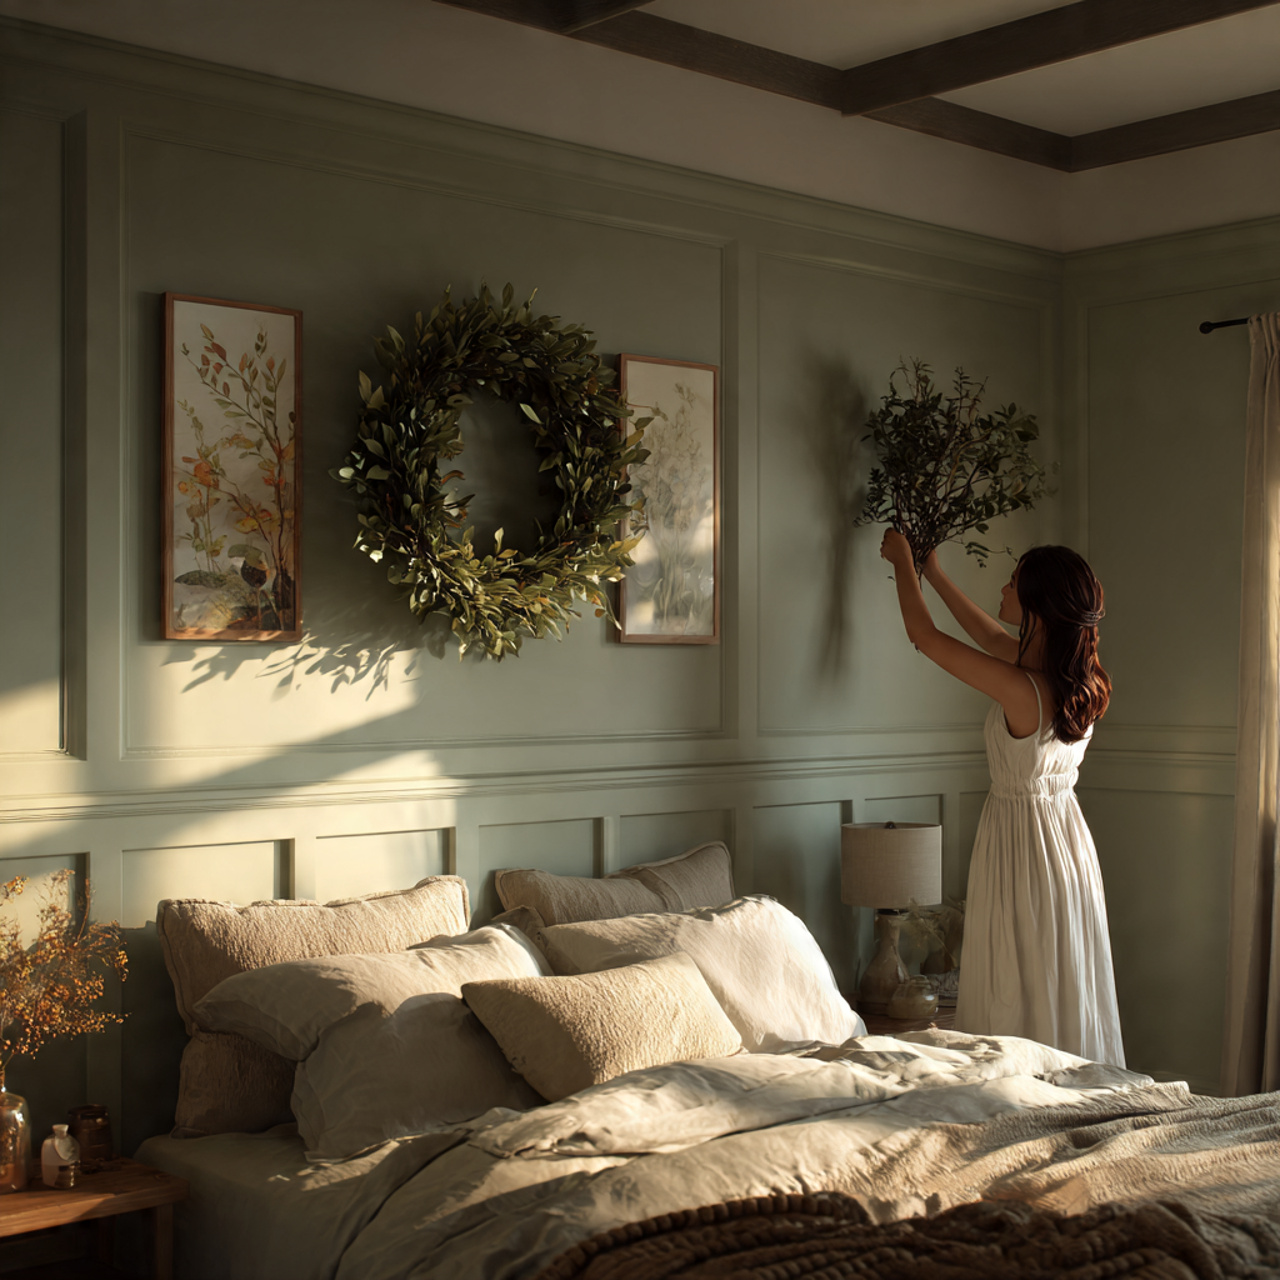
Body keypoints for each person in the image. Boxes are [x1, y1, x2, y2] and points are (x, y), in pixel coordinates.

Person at [879, 528, 1125, 1066]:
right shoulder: (1075, 680)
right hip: (1062, 843)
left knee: (1018, 972)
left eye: (1013, 582)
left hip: (1024, 850)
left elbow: (925, 637)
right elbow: (989, 636)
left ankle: (1025, 1090)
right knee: (1055, 974)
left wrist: (902, 564)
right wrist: (935, 574)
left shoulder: (1026, 689)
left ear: (1037, 604)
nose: (1003, 586)